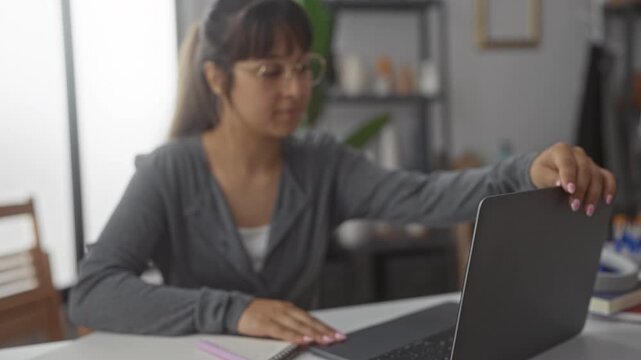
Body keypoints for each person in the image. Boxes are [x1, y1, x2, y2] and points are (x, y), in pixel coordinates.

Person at [68, 0, 616, 347]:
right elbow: (93, 290)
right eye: (269, 71)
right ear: (216, 78)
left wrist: (526, 169)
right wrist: (235, 312)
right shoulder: (170, 171)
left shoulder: (321, 162)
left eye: (304, 67)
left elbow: (426, 196)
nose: (295, 88)